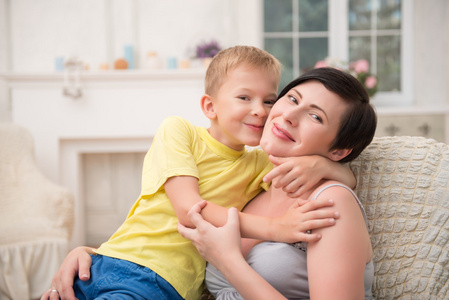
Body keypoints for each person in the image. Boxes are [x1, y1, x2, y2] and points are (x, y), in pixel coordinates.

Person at [42, 47, 355, 300]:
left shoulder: (260, 164)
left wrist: (323, 165)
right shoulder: (179, 131)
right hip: (112, 263)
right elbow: (189, 211)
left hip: (160, 284)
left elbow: (349, 179)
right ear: (210, 106)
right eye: (244, 98)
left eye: (268, 100)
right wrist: (278, 228)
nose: (260, 110)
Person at [178, 67, 377, 299]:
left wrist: (228, 261)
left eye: (316, 116)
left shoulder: (330, 203)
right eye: (293, 99)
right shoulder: (251, 188)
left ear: (339, 151)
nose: (289, 116)